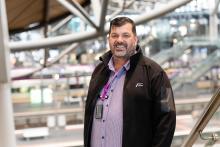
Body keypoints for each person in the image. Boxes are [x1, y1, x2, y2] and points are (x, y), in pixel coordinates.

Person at [84, 16, 176, 147]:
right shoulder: (99, 71)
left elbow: (168, 119)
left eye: (125, 35)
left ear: (135, 39)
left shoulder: (156, 74)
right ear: (109, 39)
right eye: (114, 35)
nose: (119, 40)